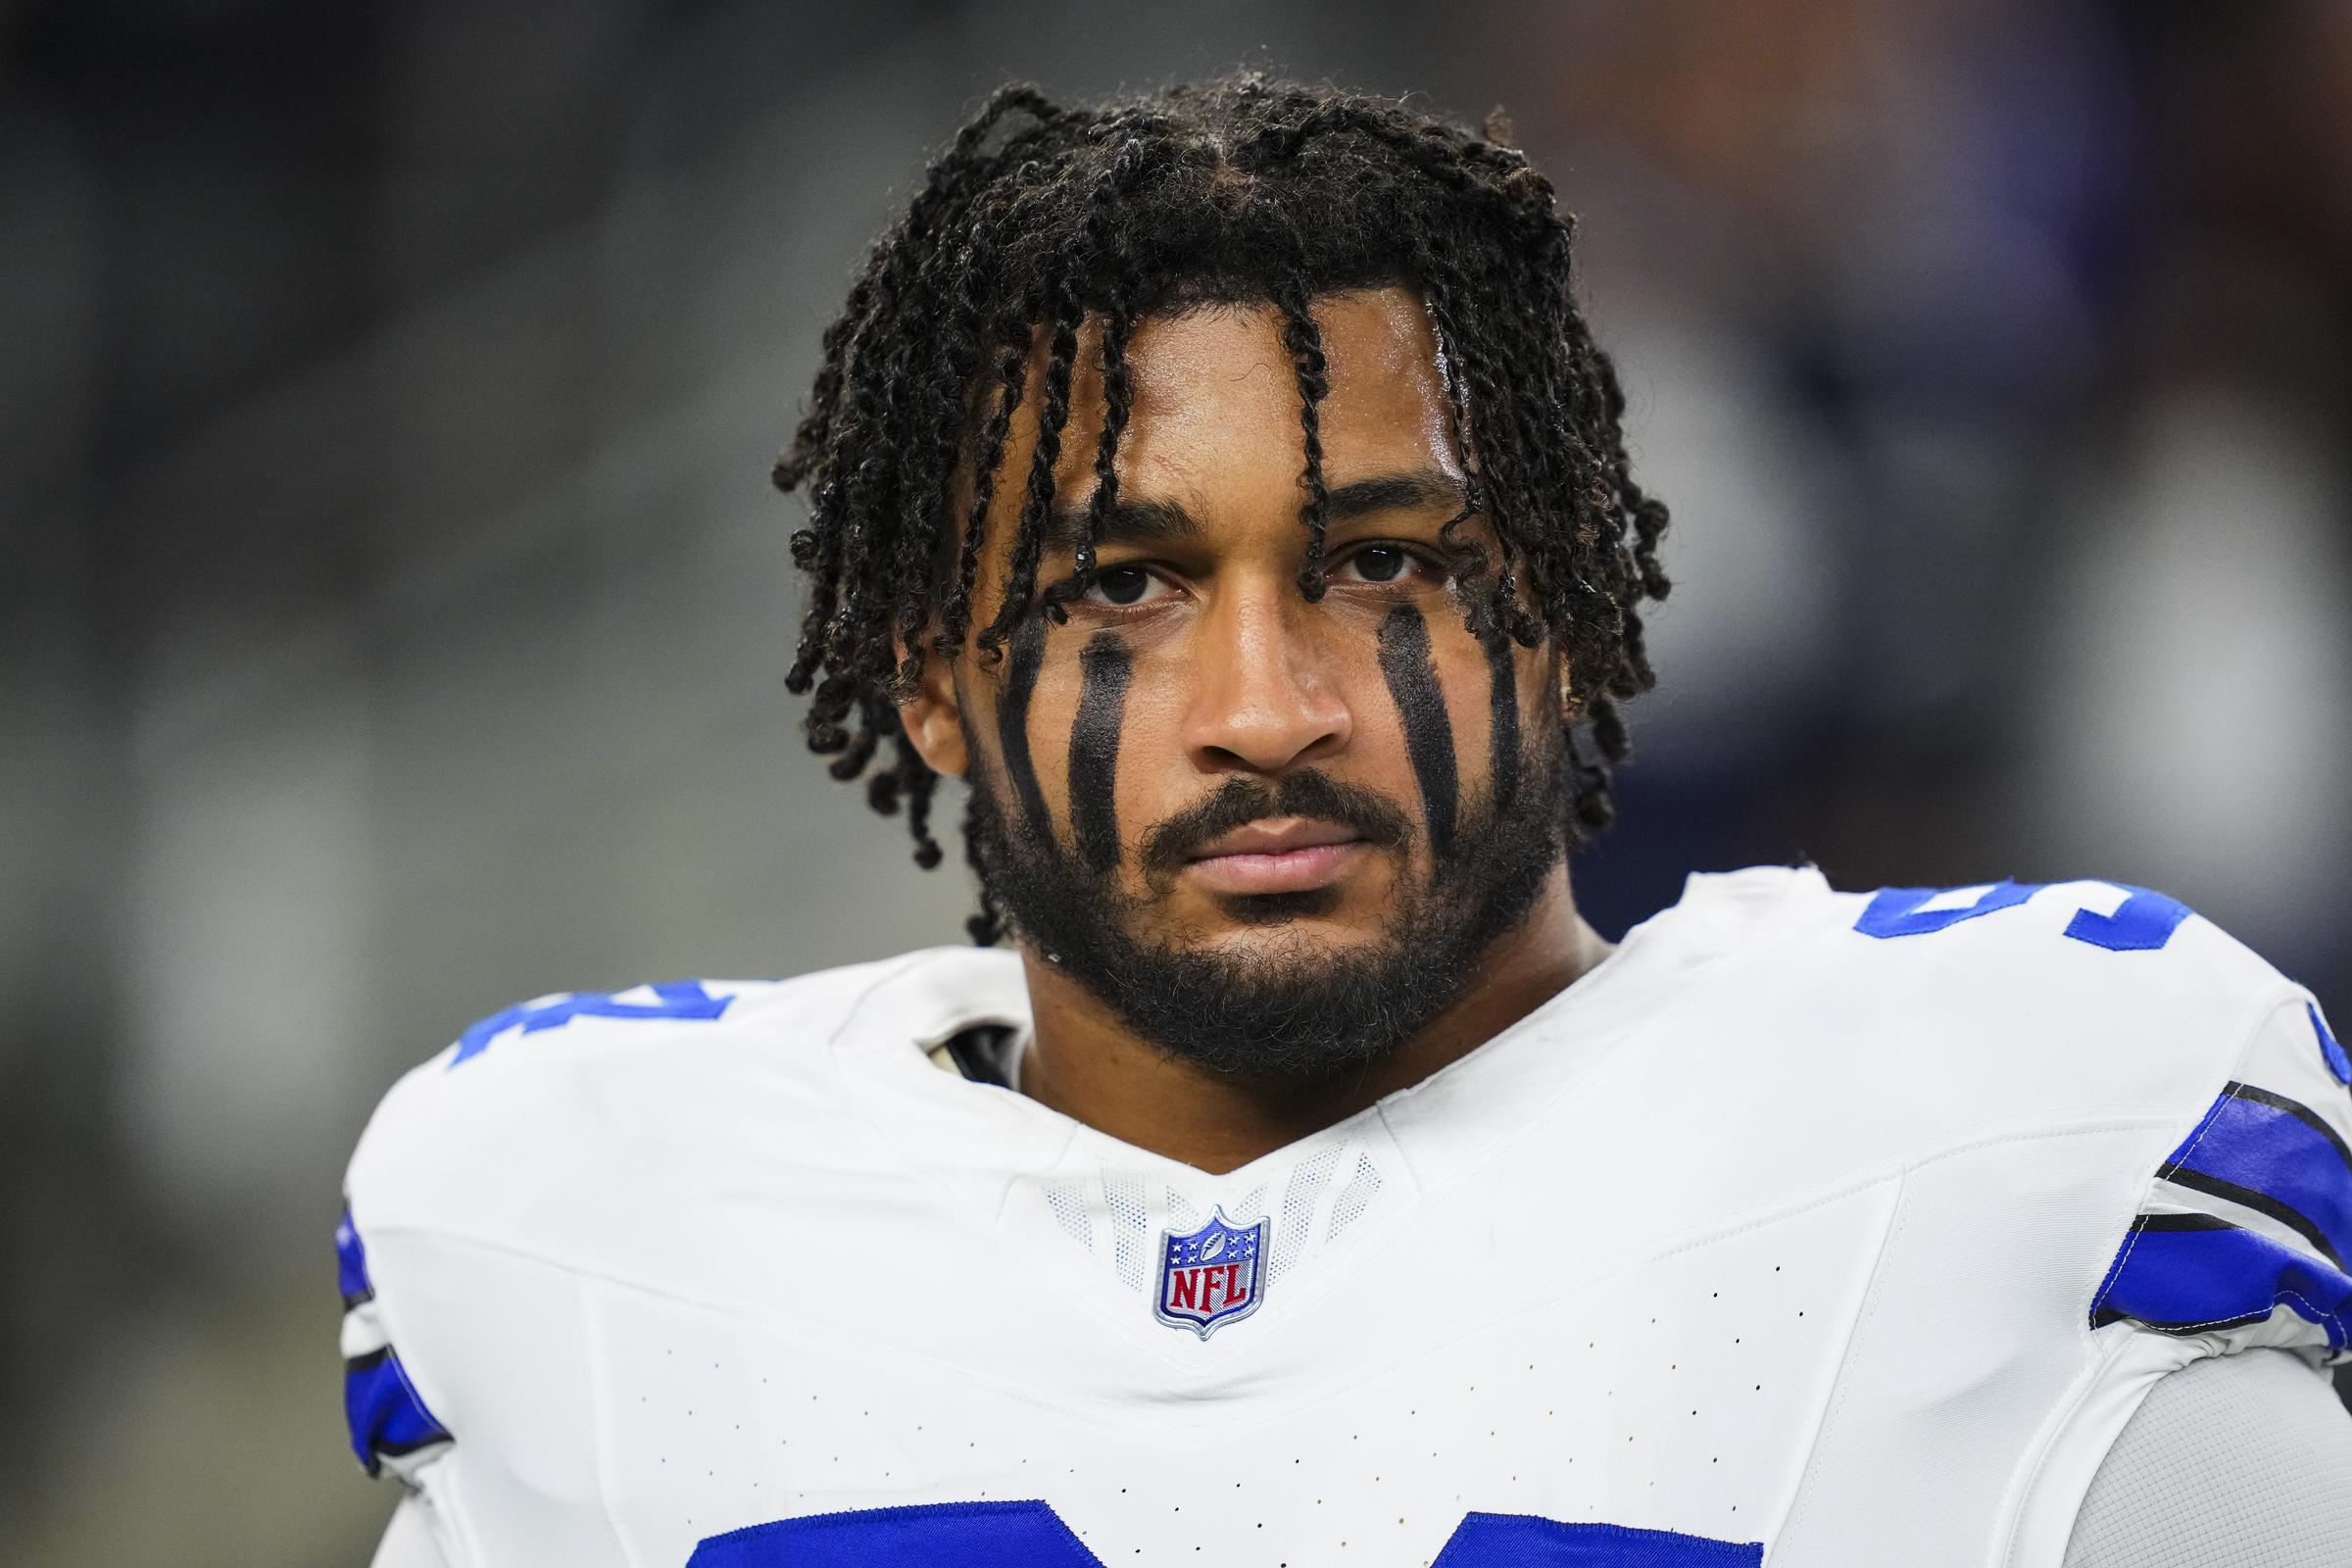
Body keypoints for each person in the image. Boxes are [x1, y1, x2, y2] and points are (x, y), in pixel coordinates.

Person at [339, 76, 2352, 1567]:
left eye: (1384, 563)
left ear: (1572, 608)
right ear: (929, 675)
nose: (1267, 710)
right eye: (1123, 584)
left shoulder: (2012, 1135)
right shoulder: (592, 1225)